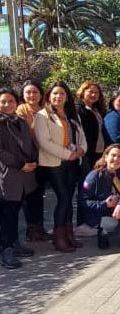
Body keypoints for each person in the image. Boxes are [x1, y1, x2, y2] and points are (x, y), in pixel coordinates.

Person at [34, 81, 87, 253]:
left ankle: (69, 234)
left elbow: (81, 136)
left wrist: (81, 149)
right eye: (55, 93)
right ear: (49, 95)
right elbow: (44, 142)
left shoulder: (72, 114)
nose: (58, 97)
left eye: (62, 94)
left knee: (69, 199)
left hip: (72, 163)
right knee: (63, 198)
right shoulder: (42, 115)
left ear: (67, 97)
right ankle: (59, 238)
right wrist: (67, 154)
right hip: (54, 163)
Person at [0, 88, 37, 269]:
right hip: (7, 175)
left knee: (15, 211)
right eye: (3, 102)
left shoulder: (20, 121)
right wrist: (20, 164)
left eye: (11, 101)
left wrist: (33, 161)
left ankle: (14, 243)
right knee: (7, 213)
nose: (7, 105)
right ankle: (6, 249)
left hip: (23, 175)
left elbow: (29, 144)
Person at [81, 143, 120, 252]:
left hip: (118, 208)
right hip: (101, 212)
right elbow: (83, 201)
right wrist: (104, 204)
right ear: (106, 156)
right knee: (111, 224)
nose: (116, 159)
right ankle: (103, 234)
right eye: (113, 155)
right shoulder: (94, 176)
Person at [16, 80, 48, 242]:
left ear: (41, 94)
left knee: (39, 194)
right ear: (23, 94)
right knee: (29, 196)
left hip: (45, 157)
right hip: (29, 158)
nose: (32, 95)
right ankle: (32, 229)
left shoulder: (45, 109)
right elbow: (28, 133)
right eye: (28, 92)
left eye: (35, 92)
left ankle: (40, 227)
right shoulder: (21, 110)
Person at [75, 80, 107, 236]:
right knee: (85, 189)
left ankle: (90, 222)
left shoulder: (95, 110)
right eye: (90, 91)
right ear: (82, 92)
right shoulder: (79, 110)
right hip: (86, 155)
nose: (94, 94)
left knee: (93, 189)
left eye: (96, 92)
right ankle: (82, 223)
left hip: (97, 154)